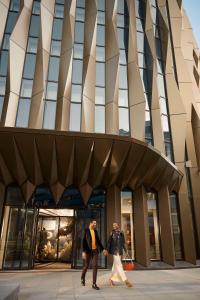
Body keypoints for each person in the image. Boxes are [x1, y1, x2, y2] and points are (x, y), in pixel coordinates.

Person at [81, 219, 108, 290]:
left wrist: (103, 249)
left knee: (95, 266)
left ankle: (94, 284)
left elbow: (98, 241)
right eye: (94, 223)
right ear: (90, 223)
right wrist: (83, 251)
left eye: (96, 224)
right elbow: (83, 241)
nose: (95, 225)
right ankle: (82, 277)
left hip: (95, 251)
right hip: (88, 251)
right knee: (86, 266)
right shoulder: (86, 230)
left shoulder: (95, 231)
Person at [107, 222, 133, 288]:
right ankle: (126, 281)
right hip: (114, 252)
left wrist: (126, 250)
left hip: (120, 252)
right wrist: (106, 249)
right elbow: (109, 242)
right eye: (113, 225)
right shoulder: (112, 233)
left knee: (115, 267)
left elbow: (123, 243)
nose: (114, 226)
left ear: (118, 225)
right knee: (119, 265)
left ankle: (110, 279)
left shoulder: (121, 233)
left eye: (115, 225)